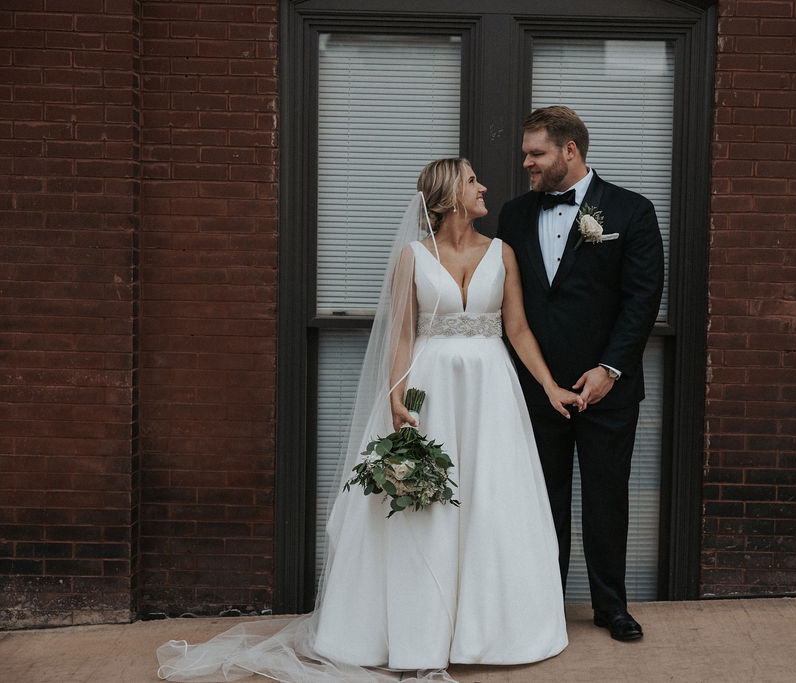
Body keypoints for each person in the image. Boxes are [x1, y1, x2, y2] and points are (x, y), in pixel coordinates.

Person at [157, 158, 577, 681]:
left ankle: (489, 631)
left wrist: (550, 386)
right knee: (425, 507)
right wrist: (398, 398)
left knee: (491, 498)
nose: (483, 186)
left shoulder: (503, 252)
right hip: (430, 390)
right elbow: (401, 334)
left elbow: (517, 329)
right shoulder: (412, 257)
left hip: (491, 392)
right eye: (472, 180)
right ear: (449, 195)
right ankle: (420, 630)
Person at [497, 106, 664, 642]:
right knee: (541, 501)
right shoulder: (513, 215)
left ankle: (610, 607)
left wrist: (610, 369)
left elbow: (642, 299)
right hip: (537, 387)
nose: (526, 162)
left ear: (569, 151)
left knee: (606, 499)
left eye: (536, 153)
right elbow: (512, 305)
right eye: (526, 153)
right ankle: (544, 608)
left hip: (607, 389)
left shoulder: (631, 211)